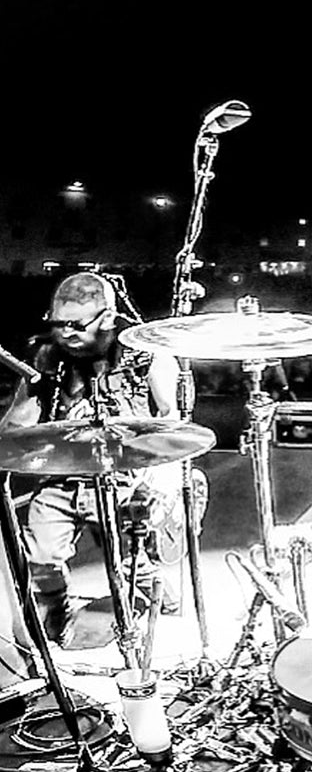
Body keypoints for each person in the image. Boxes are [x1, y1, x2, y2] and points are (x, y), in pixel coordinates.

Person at [0, 272, 183, 645]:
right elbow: (16, 427)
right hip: (65, 477)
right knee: (40, 556)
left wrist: (159, 487)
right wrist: (31, 396)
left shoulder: (146, 354)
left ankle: (160, 593)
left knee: (130, 563)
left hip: (128, 479)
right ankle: (56, 617)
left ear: (107, 318)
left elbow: (171, 425)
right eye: (57, 324)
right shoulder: (49, 361)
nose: (65, 333)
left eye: (76, 325)